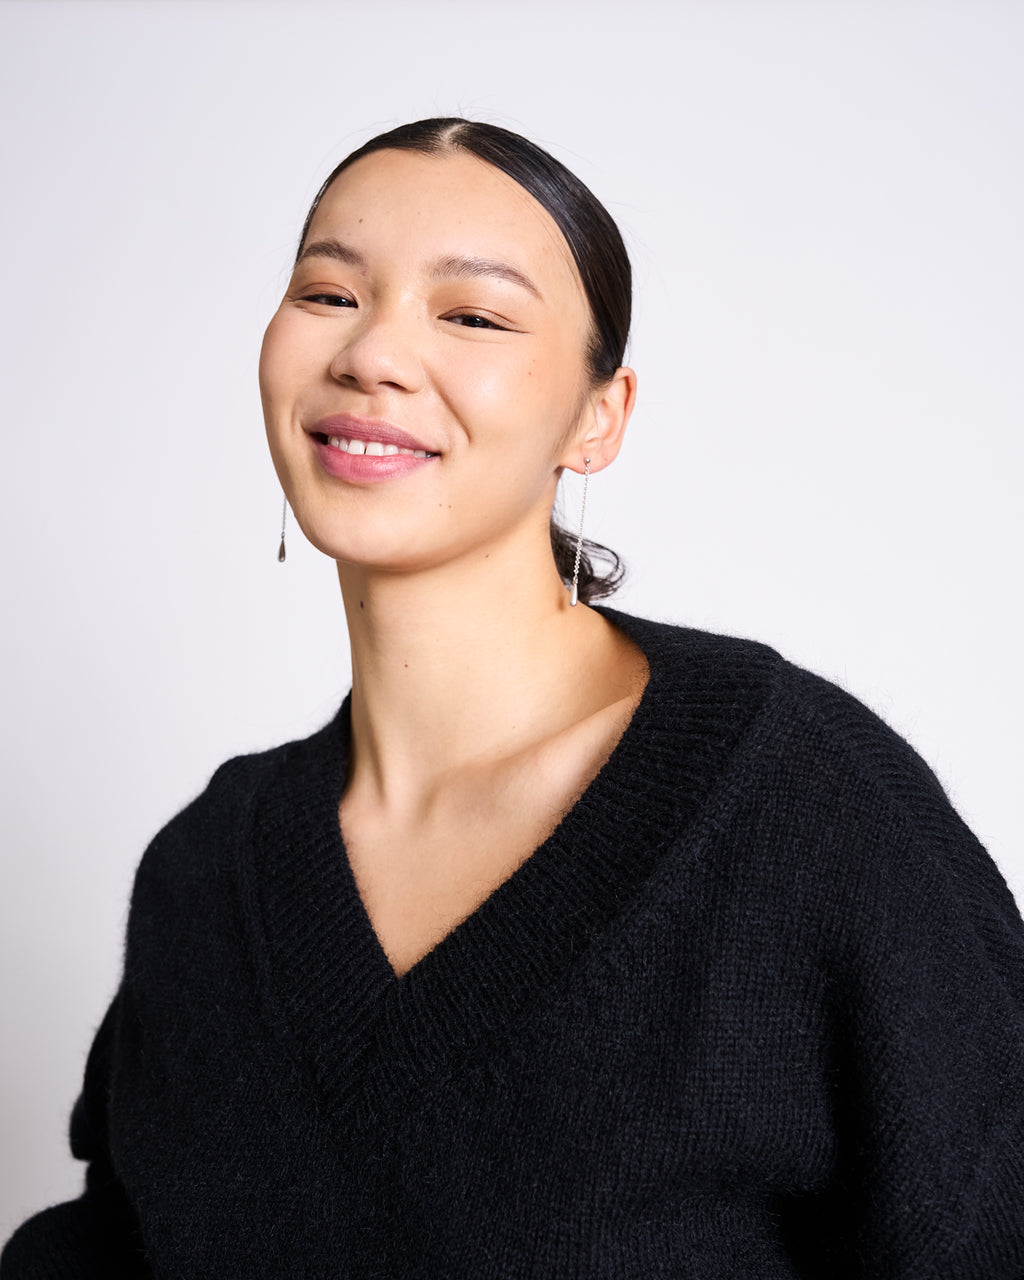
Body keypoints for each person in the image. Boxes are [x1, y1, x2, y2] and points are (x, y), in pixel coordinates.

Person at [3, 117, 1023, 1279]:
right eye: (329, 293)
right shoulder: (201, 872)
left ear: (600, 417)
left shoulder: (802, 807)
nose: (373, 354)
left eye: (472, 315)